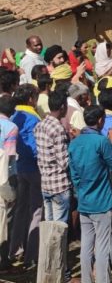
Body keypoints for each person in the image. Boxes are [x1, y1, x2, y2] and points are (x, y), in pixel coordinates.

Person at [69, 105, 112, 283]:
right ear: (100, 121)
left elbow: (74, 174)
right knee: (102, 248)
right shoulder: (101, 142)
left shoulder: (75, 142)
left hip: (84, 202)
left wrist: (81, 191)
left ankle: (86, 280)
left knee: (86, 246)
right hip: (103, 203)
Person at [10, 84, 42, 269]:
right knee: (36, 210)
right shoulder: (33, 118)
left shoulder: (15, 115)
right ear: (31, 98)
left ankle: (15, 250)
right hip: (33, 167)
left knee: (21, 209)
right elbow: (35, 146)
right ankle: (31, 255)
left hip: (19, 167)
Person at [33, 89, 71, 223]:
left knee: (48, 227)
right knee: (58, 230)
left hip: (46, 183)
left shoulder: (40, 125)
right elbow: (64, 162)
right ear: (62, 107)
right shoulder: (58, 128)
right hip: (59, 185)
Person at [0, 96, 18, 270]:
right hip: (5, 175)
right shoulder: (12, 127)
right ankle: (3, 259)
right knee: (5, 219)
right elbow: (10, 155)